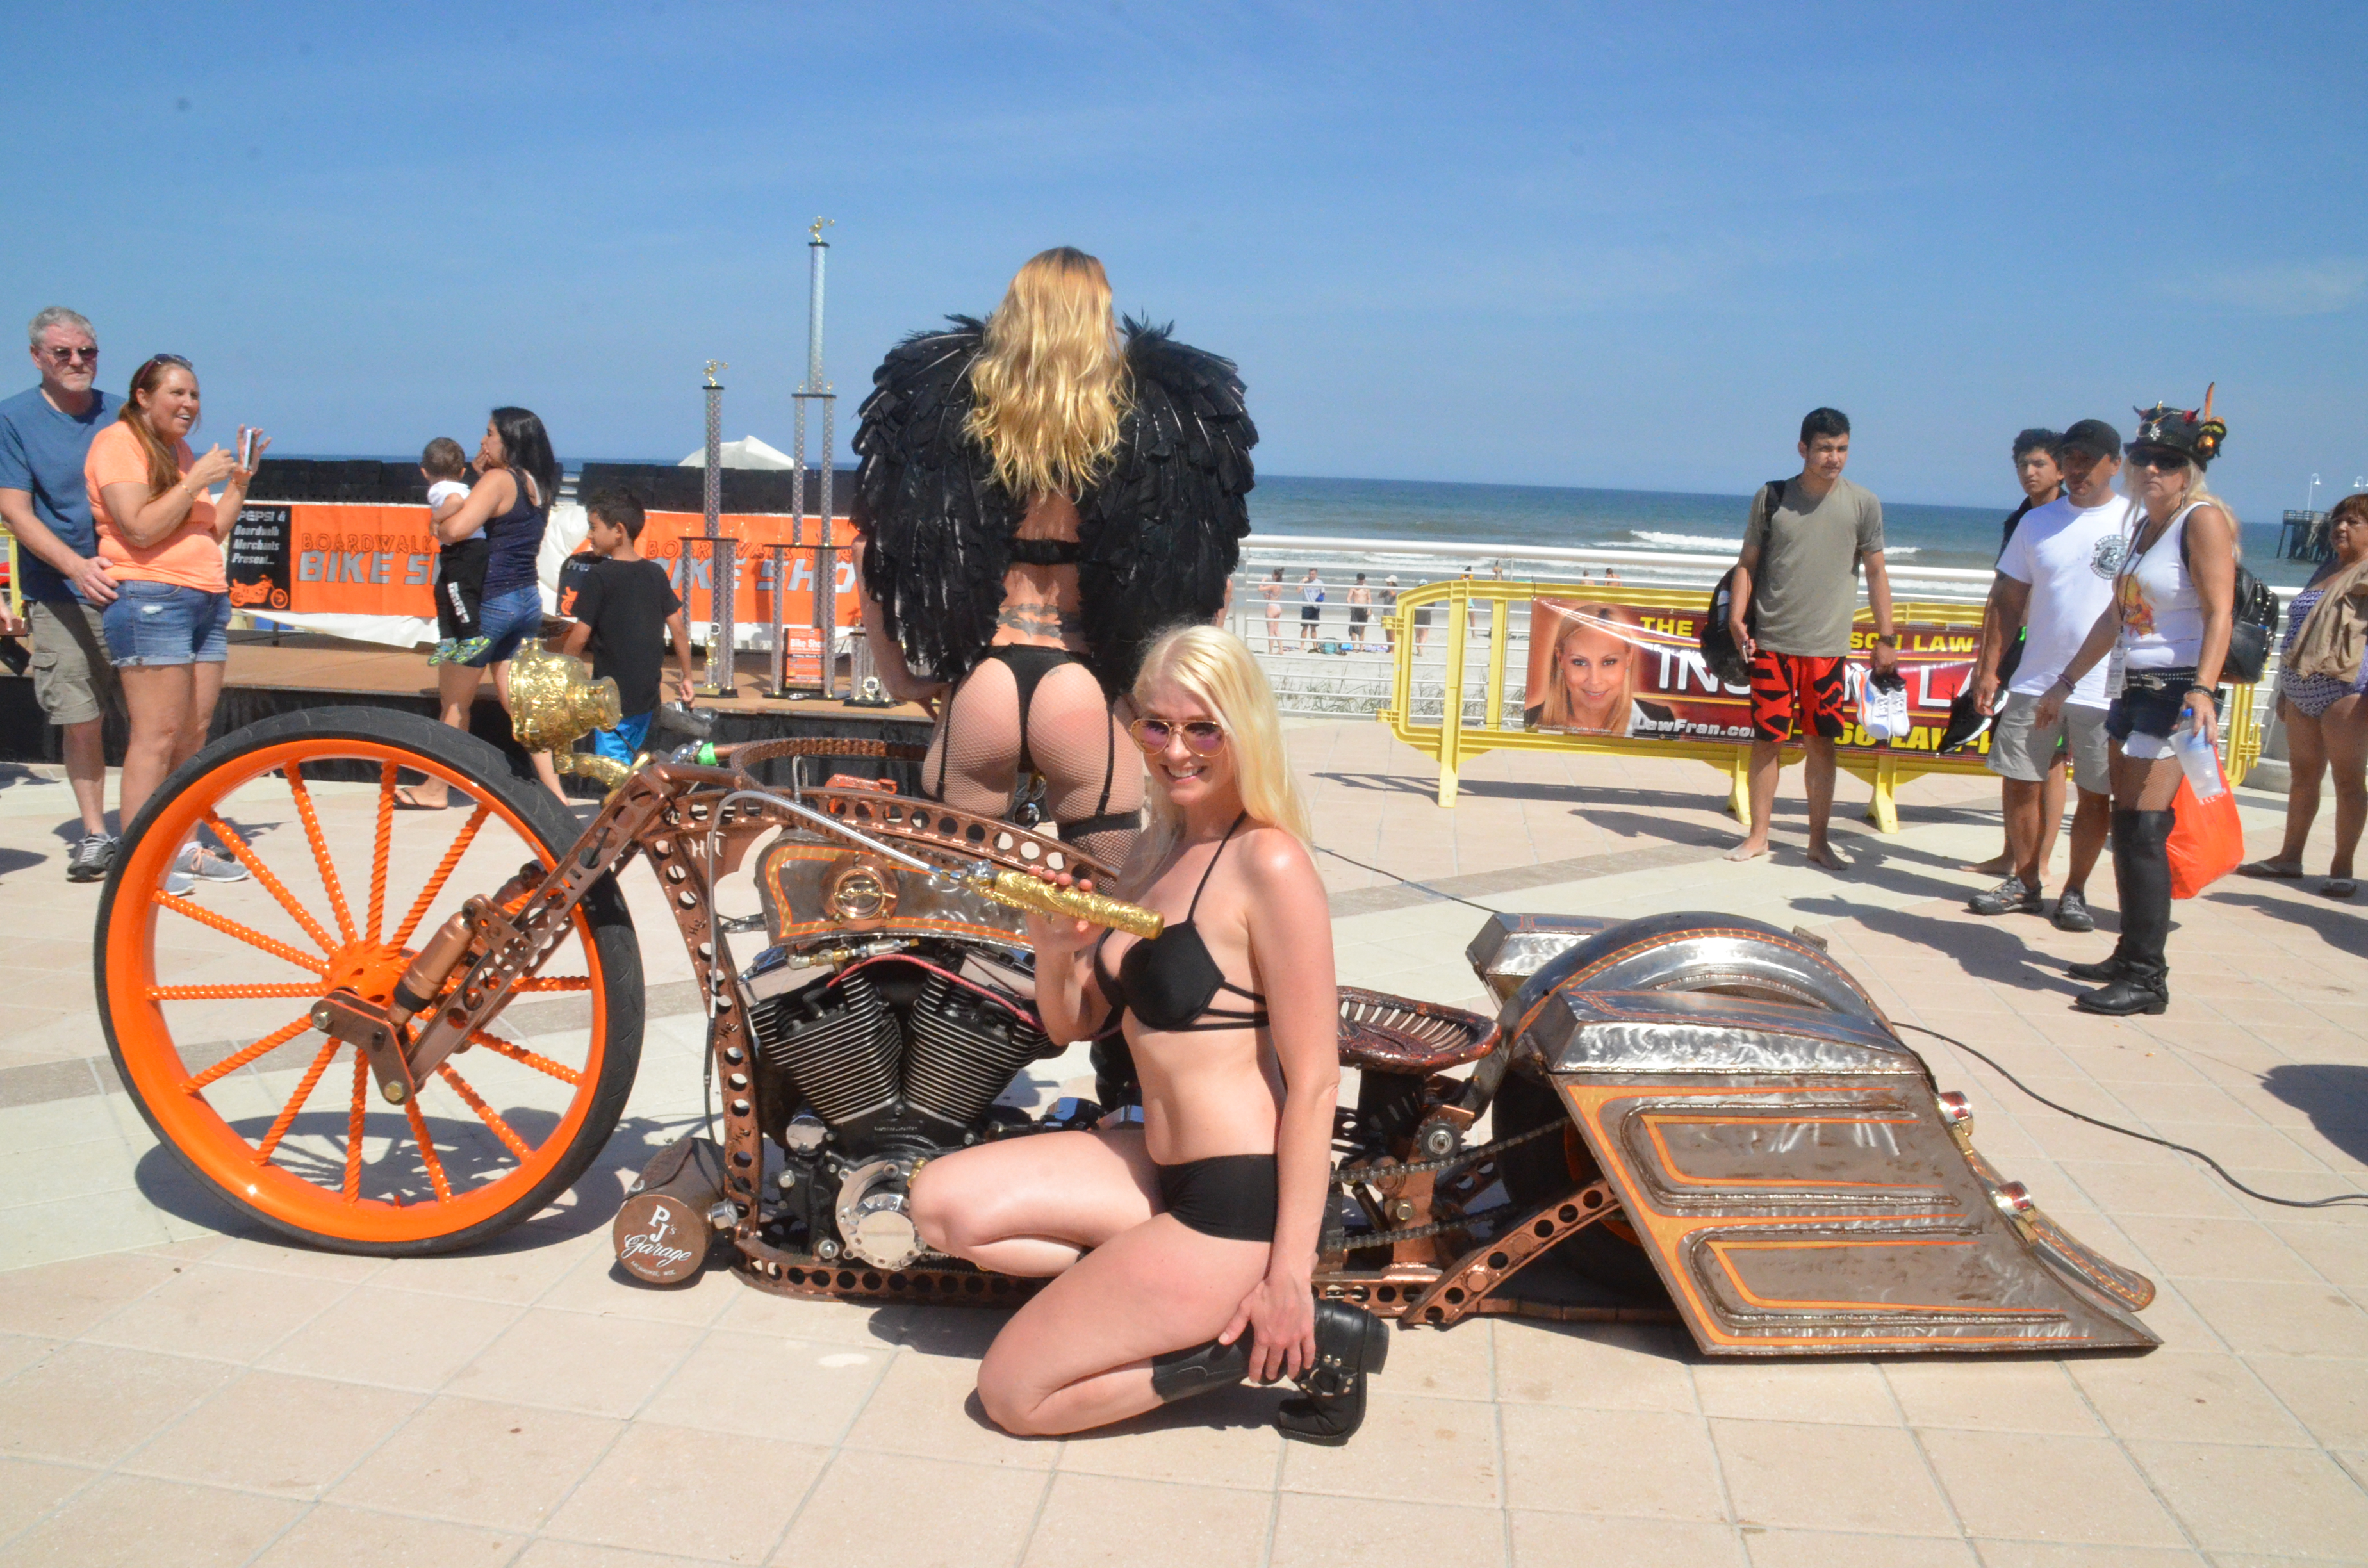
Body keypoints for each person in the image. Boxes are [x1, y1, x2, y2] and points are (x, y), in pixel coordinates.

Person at [909, 625, 1386, 1444]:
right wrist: (1053, 949)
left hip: (1235, 1200)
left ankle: (1243, 1349)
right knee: (939, 1206)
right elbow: (1074, 1023)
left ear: (1245, 729)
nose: (1177, 751)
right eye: (1157, 727)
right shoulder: (1153, 851)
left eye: (1204, 729)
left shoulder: (1269, 864)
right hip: (1156, 1167)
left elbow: (1313, 1082)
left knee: (1013, 1396)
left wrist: (1289, 1275)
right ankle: (1148, 1285)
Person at [852, 247, 1256, 868]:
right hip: (1082, 687)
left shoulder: (957, 411)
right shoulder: (1153, 423)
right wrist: (1158, 692)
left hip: (983, 681)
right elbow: (1210, 580)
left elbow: (870, 552)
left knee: (951, 901)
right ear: (1101, 313)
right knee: (1106, 902)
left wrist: (900, 676)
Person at [2034, 391, 2238, 1014]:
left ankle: (2148, 979)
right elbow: (2115, 617)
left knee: (2146, 831)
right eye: (2145, 457)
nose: (2153, 469)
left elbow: (2220, 611)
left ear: (2191, 469)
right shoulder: (2144, 525)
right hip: (2131, 684)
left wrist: (2202, 689)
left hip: (2175, 689)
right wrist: (2066, 682)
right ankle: (2129, 955)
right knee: (2127, 826)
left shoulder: (2201, 520)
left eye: (2169, 461)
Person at [86, 354, 266, 894]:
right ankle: (140, 862)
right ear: (143, 397)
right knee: (156, 735)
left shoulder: (180, 452)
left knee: (192, 734)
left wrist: (238, 483)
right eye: (177, 393)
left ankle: (182, 846)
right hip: (151, 598)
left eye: (194, 395)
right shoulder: (119, 443)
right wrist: (197, 481)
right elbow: (139, 529)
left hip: (204, 598)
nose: (189, 404)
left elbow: (208, 533)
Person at [1967, 421, 2129, 932]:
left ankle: (2075, 890)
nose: (2078, 470)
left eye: (2088, 461)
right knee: (2020, 781)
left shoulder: (2137, 521)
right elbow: (2007, 600)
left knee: (2096, 793)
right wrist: (1989, 669)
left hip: (2106, 686)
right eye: (2071, 459)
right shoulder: (2035, 524)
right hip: (2035, 679)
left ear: (2115, 464)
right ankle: (2026, 881)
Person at [1724, 408, 1898, 869]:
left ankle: (1818, 842)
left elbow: (1877, 572)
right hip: (1772, 642)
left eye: (1841, 449)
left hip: (1827, 649)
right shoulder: (1773, 497)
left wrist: (1887, 636)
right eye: (1824, 448)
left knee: (1822, 743)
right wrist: (1737, 618)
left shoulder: (1863, 503)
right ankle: (1758, 836)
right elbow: (1747, 563)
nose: (1833, 458)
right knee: (1768, 741)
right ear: (1803, 448)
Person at [0, 308, 121, 879]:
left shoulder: (125, 414)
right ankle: (96, 835)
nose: (77, 362)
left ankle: (167, 831)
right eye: (63, 353)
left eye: (87, 352)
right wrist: (77, 566)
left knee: (160, 724)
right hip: (60, 593)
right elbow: (15, 511)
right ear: (37, 358)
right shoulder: (13, 419)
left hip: (136, 589)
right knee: (81, 718)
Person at [393, 408, 564, 808]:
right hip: (525, 600)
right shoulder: (536, 483)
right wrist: (477, 475)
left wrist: (435, 524)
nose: (482, 442)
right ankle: (556, 793)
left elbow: (456, 530)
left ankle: (435, 789)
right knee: (521, 707)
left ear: (509, 439)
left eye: (489, 434)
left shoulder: (499, 480)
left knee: (455, 703)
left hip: (487, 601)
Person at [2241, 491, 2368, 899]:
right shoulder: (2326, 569)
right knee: (2304, 777)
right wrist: (2282, 689)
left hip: (2347, 688)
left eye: (2353, 522)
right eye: (2337, 521)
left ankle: (2342, 867)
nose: (2341, 528)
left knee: (2348, 780)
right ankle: (2289, 857)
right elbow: (2299, 632)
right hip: (2299, 685)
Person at [1966, 429, 2065, 877]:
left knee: (2053, 758)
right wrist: (1985, 659)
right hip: (2016, 646)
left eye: (2039, 463)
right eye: (2023, 464)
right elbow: (2003, 587)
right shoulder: (2020, 519)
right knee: (2015, 754)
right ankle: (2012, 853)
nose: (2029, 472)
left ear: (2060, 469)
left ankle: (2040, 861)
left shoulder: (2072, 517)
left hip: (2056, 650)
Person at [557, 489, 696, 767]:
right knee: (638, 762)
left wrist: (560, 674)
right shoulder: (655, 573)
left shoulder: (598, 577)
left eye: (594, 527)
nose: (589, 535)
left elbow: (580, 636)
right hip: (647, 695)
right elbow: (678, 629)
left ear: (618, 531)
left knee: (612, 767)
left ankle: (618, 795)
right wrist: (688, 677)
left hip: (610, 697)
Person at [1525, 602, 1675, 735]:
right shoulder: (1532, 719)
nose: (1595, 681)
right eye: (1579, 662)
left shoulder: (1660, 721)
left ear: (1629, 658)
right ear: (1560, 659)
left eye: (1609, 662)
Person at [422, 436, 489, 667]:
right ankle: (448, 638)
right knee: (442, 591)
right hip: (471, 547)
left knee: (458, 591)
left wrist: (435, 519)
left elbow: (455, 502)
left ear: (424, 472)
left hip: (466, 548)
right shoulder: (463, 486)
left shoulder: (439, 489)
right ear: (462, 472)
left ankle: (472, 637)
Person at [1298, 568, 1324, 649]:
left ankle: (1315, 646)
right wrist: (1303, 582)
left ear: (1316, 574)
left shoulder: (1320, 582)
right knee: (1305, 627)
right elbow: (1298, 591)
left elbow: (1323, 593)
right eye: (1310, 574)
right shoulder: (1304, 581)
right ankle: (1302, 646)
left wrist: (1321, 597)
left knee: (1313, 628)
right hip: (1306, 606)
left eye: (1313, 574)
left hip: (1315, 607)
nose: (1311, 576)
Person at [1260, 567, 1283, 653]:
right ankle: (1281, 649)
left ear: (1276, 576)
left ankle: (1271, 651)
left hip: (1272, 607)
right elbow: (1274, 594)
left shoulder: (1273, 585)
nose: (1272, 576)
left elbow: (1260, 589)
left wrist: (1263, 581)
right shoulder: (1280, 585)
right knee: (1276, 629)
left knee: (1271, 631)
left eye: (1273, 575)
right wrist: (1268, 595)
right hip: (1278, 607)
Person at [1347, 573, 1372, 649]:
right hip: (1355, 608)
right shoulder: (1353, 587)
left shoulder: (1366, 588)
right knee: (1354, 628)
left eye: (1362, 580)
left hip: (1363, 609)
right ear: (1357, 580)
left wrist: (1369, 609)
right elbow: (1349, 598)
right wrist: (1350, 605)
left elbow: (1369, 598)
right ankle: (1354, 646)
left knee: (1362, 628)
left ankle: (1361, 646)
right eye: (1359, 580)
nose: (1361, 582)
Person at [1380, 575, 1399, 653]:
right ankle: (1389, 648)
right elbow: (1380, 596)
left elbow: (1393, 595)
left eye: (1389, 582)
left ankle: (1393, 649)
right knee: (1387, 631)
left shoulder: (1396, 589)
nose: (1387, 583)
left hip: (1393, 613)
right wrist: (1383, 591)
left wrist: (1389, 589)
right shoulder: (1386, 590)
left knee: (1392, 632)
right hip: (1386, 612)